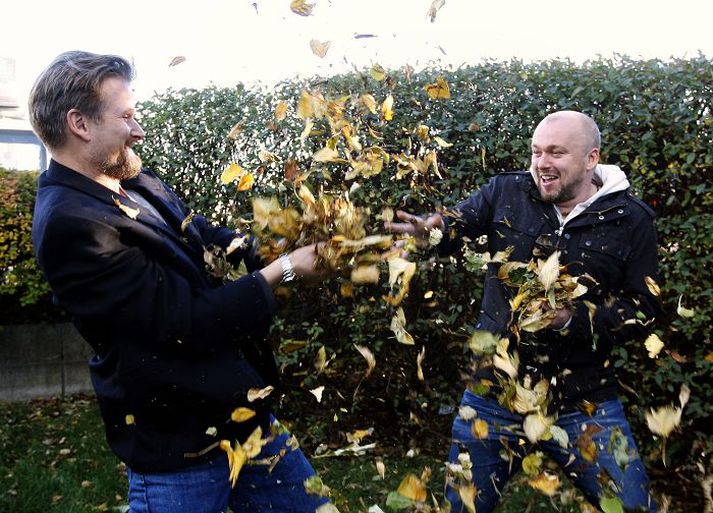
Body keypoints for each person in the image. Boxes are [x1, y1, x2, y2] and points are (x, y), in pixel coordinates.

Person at [30, 51, 335, 513]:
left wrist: (288, 248)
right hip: (179, 448)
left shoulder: (131, 181)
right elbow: (182, 322)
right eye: (127, 116)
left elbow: (208, 241)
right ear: (80, 124)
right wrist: (284, 270)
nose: (139, 129)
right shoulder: (71, 223)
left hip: (245, 418)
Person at [386, 111, 659, 512]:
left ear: (590, 158)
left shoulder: (631, 219)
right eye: (536, 152)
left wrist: (573, 319)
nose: (541, 163)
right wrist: (432, 231)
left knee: (633, 507)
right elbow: (458, 224)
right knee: (461, 507)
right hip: (492, 395)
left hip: (583, 401)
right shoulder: (507, 190)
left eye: (556, 152)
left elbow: (644, 309)